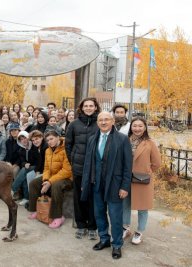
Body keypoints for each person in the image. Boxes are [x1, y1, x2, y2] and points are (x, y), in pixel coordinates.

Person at [81, 111, 132, 260]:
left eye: (106, 120)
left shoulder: (122, 139)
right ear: (97, 123)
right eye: (101, 120)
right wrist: (85, 183)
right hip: (96, 183)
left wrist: (124, 187)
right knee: (99, 213)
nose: (103, 122)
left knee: (116, 216)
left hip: (115, 185)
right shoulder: (92, 139)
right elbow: (87, 164)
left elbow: (128, 166)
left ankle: (117, 244)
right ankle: (104, 238)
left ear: (112, 121)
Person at [65, 97, 101, 240]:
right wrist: (73, 161)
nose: (88, 108)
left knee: (93, 198)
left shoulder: (100, 123)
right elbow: (68, 145)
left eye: (91, 105)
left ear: (95, 107)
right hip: (78, 167)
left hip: (94, 168)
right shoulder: (73, 125)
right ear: (81, 108)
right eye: (86, 106)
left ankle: (92, 226)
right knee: (79, 197)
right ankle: (81, 225)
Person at [122, 117, 161, 245]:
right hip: (126, 178)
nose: (137, 128)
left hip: (142, 179)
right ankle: (125, 228)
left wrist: (146, 171)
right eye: (134, 126)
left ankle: (139, 231)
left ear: (144, 128)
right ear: (131, 127)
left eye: (140, 126)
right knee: (125, 204)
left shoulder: (149, 143)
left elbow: (157, 163)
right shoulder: (125, 140)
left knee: (143, 207)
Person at [28, 129, 72, 229]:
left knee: (56, 186)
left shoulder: (66, 149)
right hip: (52, 177)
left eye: (51, 139)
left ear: (58, 137)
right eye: (47, 140)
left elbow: (67, 170)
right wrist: (46, 180)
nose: (50, 142)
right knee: (33, 183)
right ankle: (35, 210)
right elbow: (46, 168)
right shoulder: (48, 150)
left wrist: (50, 182)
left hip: (67, 178)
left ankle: (58, 216)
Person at [11, 131, 41, 206]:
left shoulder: (34, 147)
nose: (23, 140)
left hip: (36, 167)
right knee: (24, 176)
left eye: (25, 138)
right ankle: (26, 198)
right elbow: (22, 161)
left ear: (28, 138)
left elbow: (39, 161)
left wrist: (36, 170)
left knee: (24, 170)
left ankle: (13, 189)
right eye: (21, 139)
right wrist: (25, 164)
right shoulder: (21, 150)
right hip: (28, 168)